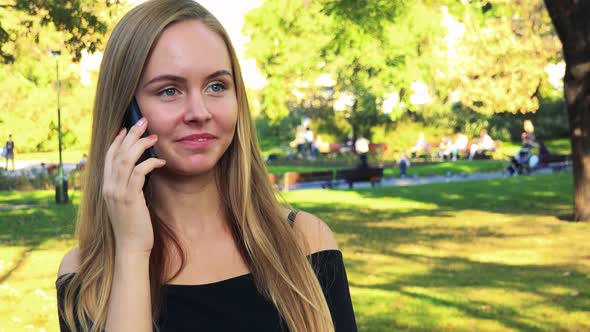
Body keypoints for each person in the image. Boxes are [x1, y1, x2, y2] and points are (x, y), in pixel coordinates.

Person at [55, 1, 357, 332]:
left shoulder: (305, 243)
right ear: (125, 111)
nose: (199, 112)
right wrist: (131, 252)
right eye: (169, 90)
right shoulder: (89, 275)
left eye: (216, 86)